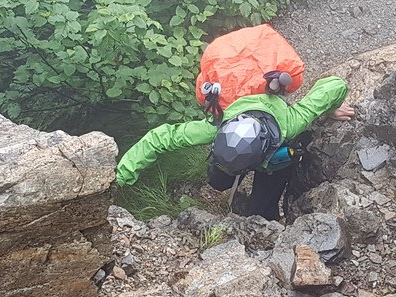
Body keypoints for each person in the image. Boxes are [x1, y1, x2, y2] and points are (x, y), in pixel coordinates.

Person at [115, 75, 355, 221]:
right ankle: (230, 180)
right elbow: (160, 138)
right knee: (219, 182)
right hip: (259, 146)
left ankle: (265, 221)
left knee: (260, 211)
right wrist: (121, 178)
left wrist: (330, 108)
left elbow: (336, 85)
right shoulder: (217, 126)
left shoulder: (289, 124)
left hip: (274, 156)